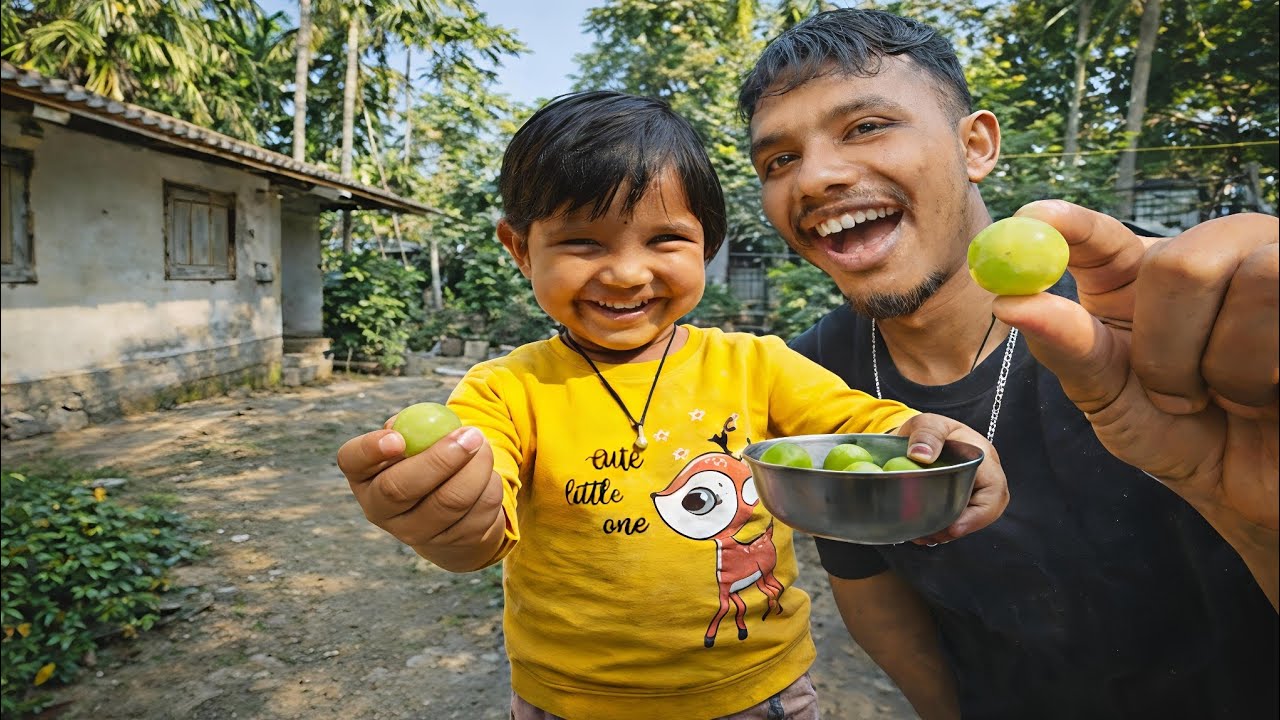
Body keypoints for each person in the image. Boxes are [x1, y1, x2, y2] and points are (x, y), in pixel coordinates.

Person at [336, 91, 1008, 720]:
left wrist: (920, 434)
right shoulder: (505, 391)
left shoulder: (756, 364)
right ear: (520, 248)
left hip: (761, 693)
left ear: (706, 247)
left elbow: (861, 424)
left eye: (664, 241)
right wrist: (450, 518)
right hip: (571, 703)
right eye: (582, 242)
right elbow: (480, 524)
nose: (627, 272)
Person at [737, 8, 1278, 720]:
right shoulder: (812, 377)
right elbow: (870, 589)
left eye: (865, 126)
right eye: (779, 160)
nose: (816, 178)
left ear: (977, 146)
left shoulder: (1158, 322)